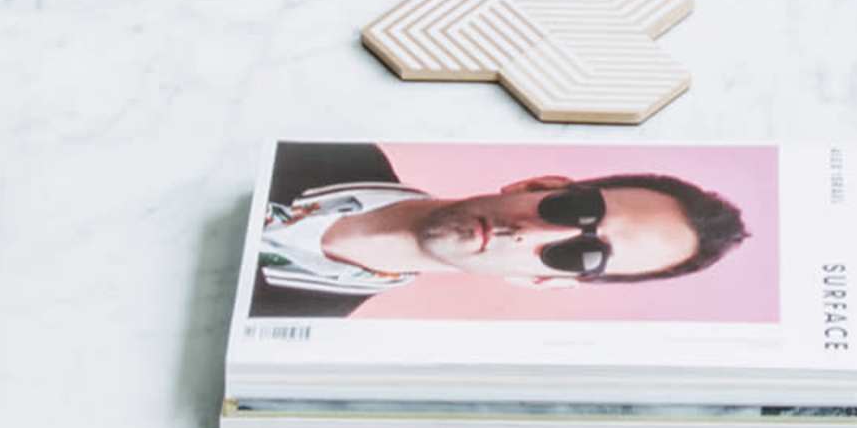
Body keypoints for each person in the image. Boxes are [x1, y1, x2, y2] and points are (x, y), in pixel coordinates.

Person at [249, 144, 750, 315]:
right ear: (537, 184)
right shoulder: (317, 146)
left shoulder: (299, 327)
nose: (529, 235)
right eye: (573, 209)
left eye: (582, 255)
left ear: (544, 282)